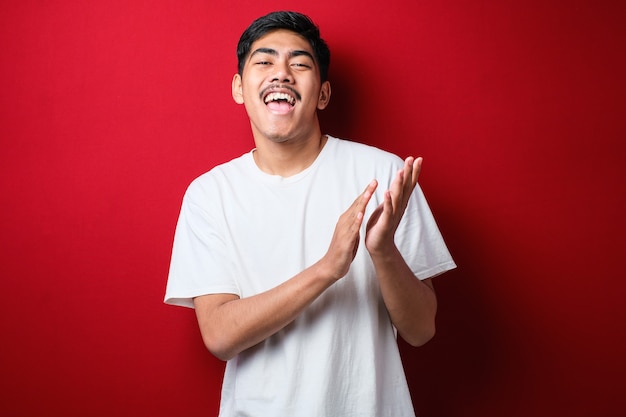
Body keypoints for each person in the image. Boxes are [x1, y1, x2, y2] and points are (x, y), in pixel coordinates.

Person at [165, 10, 456, 417]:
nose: (281, 73)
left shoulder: (384, 175)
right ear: (238, 87)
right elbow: (219, 335)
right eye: (264, 61)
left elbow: (422, 329)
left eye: (299, 64)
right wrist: (327, 268)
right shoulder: (210, 194)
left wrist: (383, 251)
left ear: (322, 94)